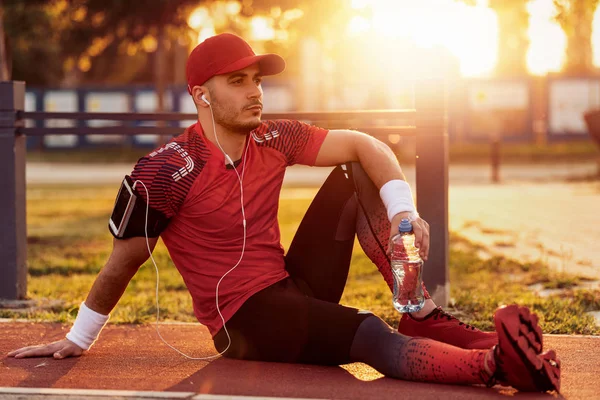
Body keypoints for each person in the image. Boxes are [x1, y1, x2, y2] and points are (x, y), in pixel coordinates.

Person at [8, 33, 560, 393]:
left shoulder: (273, 135)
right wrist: (78, 338)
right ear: (203, 94)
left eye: (258, 81)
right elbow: (123, 261)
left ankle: (415, 306)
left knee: (355, 171)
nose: (255, 94)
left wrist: (403, 214)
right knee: (365, 333)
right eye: (238, 82)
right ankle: (495, 368)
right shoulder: (166, 168)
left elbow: (367, 145)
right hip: (244, 322)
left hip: (292, 284)